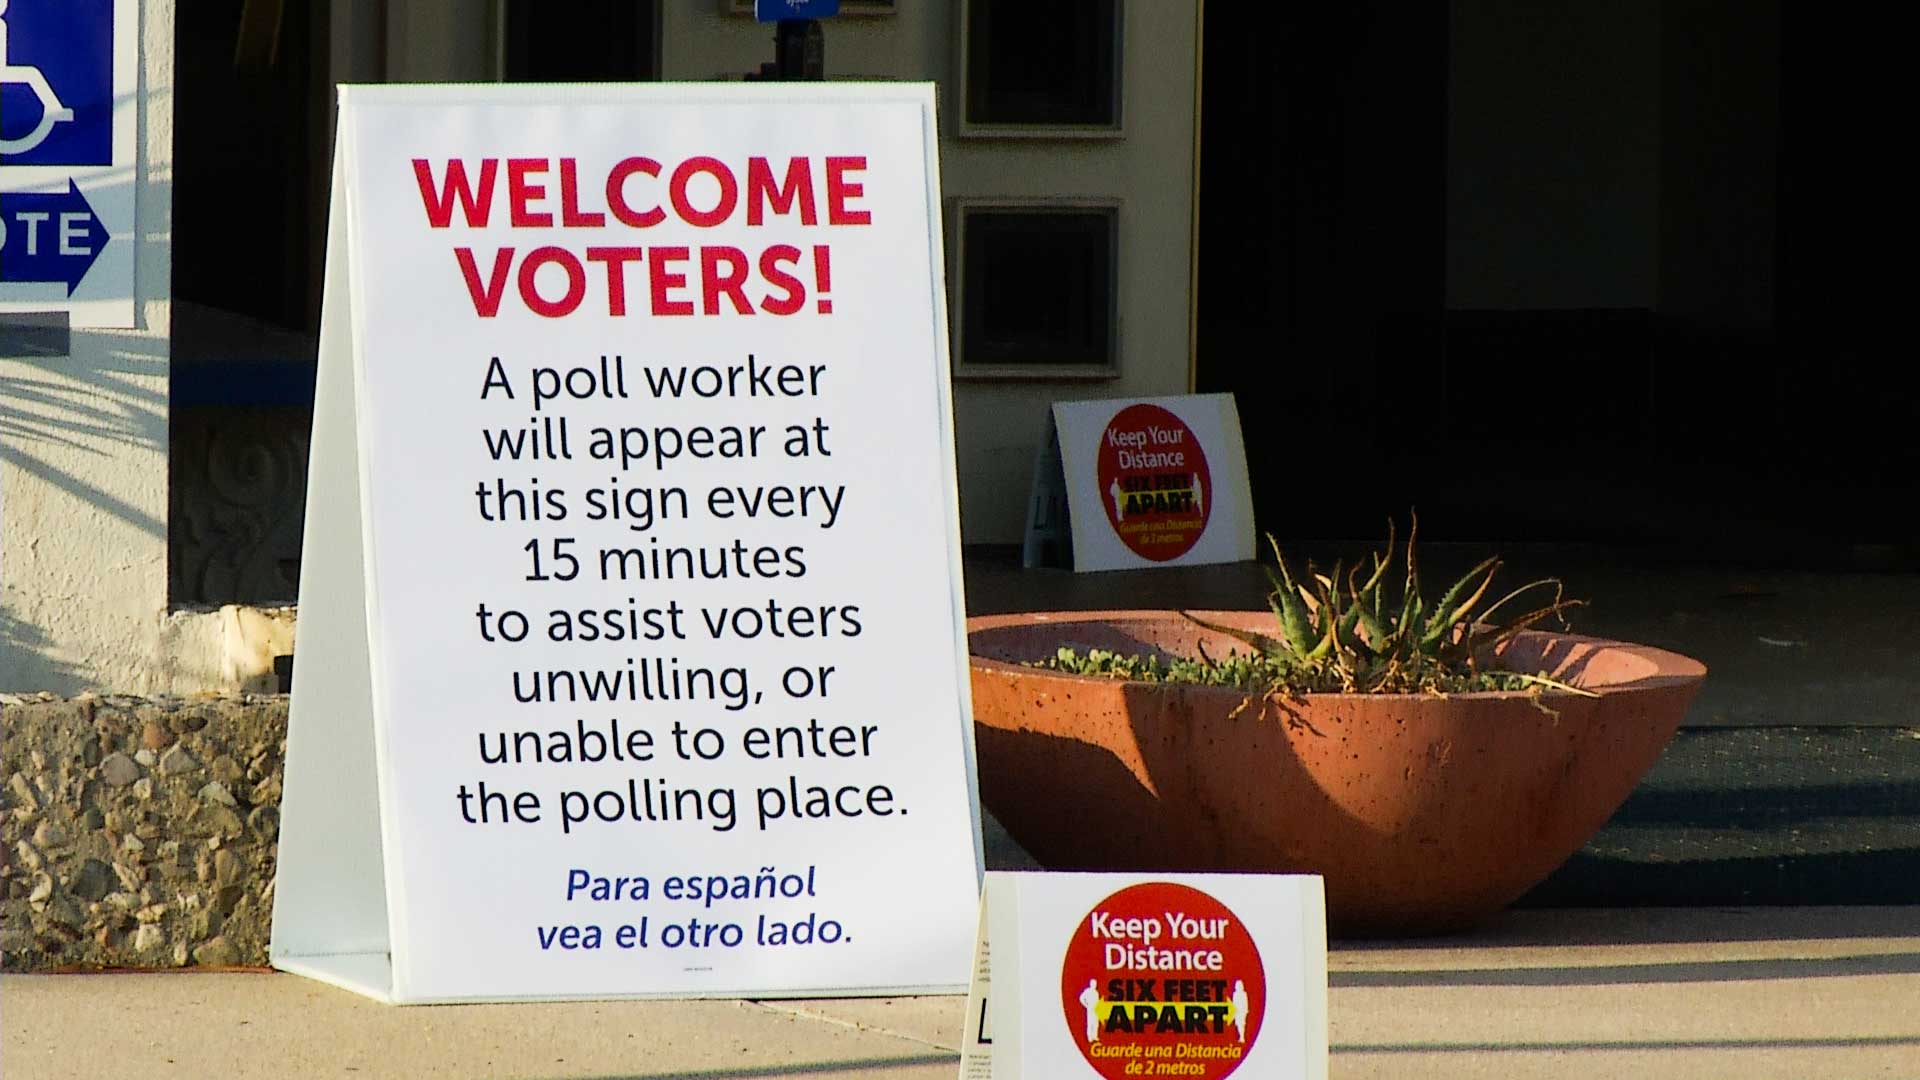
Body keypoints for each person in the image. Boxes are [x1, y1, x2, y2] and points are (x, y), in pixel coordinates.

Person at [1079, 977, 1102, 1042]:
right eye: (1093, 984)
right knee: (1090, 1023)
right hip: (1090, 1009)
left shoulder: (1096, 992)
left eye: (1095, 984)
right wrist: (1086, 1005)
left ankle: (1094, 1036)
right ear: (1091, 984)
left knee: (1095, 1023)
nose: (1095, 985)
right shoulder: (1087, 991)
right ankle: (1089, 1037)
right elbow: (1081, 998)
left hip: (1096, 1009)